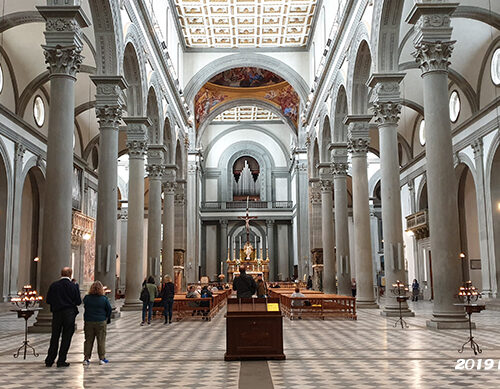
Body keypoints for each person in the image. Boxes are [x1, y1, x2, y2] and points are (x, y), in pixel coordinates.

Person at [45, 267, 81, 368]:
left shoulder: (54, 285)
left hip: (57, 314)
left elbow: (48, 300)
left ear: (61, 274)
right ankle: (61, 360)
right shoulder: (73, 286)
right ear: (70, 274)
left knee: (54, 336)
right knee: (66, 337)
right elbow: (78, 301)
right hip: (69, 314)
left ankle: (49, 360)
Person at [82, 281, 112, 366]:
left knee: (88, 340)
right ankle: (102, 358)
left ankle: (86, 358)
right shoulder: (104, 298)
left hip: (89, 321)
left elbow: (85, 306)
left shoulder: (87, 298)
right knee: (101, 340)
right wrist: (106, 317)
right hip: (100, 321)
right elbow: (109, 309)